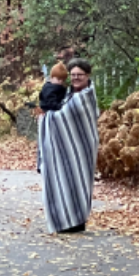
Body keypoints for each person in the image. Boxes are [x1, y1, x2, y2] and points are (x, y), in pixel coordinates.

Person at [38, 58, 100, 234]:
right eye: (73, 75)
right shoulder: (65, 94)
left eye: (80, 74)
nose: (76, 78)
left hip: (83, 146)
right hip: (60, 148)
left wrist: (45, 118)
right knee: (61, 180)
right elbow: (56, 109)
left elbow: (64, 116)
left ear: (87, 75)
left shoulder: (86, 95)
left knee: (80, 180)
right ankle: (64, 220)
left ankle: (78, 221)